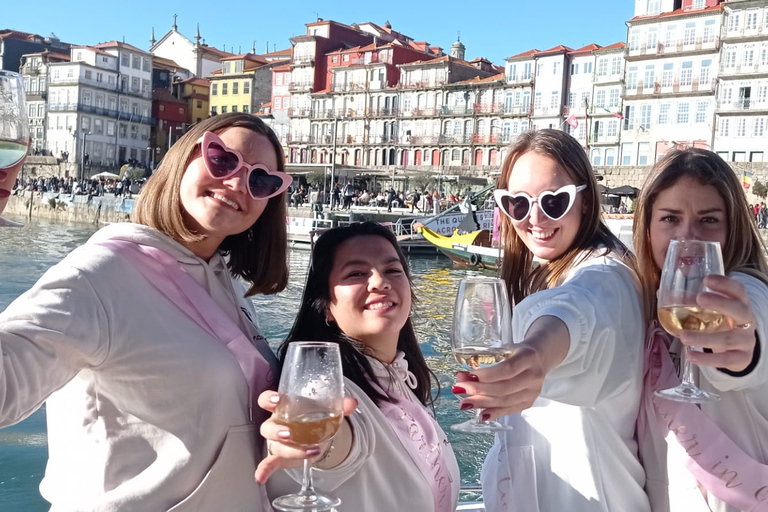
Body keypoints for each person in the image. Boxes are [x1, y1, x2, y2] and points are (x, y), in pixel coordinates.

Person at [0, 113, 295, 510]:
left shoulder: (229, 286)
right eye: (222, 160)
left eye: (261, 180)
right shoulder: (100, 275)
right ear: (182, 159)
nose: (237, 182)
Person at [465, 129, 649, 511]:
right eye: (517, 203)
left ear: (584, 201)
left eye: (554, 201)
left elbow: (578, 312)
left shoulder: (607, 276)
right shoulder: (548, 272)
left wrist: (533, 354)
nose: (534, 218)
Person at [257, 222, 460, 512]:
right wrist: (312, 443)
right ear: (326, 306)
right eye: (356, 273)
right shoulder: (324, 388)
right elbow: (343, 439)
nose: (380, 282)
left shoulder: (401, 380)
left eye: (392, 270)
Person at [633, 149, 768, 512]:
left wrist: (744, 352)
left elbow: (749, 331)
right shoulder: (652, 312)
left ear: (733, 228)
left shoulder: (746, 289)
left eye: (708, 220)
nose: (687, 237)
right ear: (647, 228)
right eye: (670, 219)